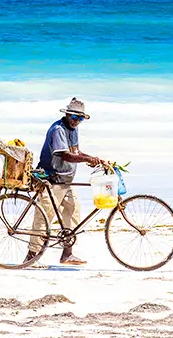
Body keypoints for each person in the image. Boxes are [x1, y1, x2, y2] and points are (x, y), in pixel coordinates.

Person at [25, 97, 102, 266]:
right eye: (74, 117)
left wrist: (91, 159)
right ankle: (30, 258)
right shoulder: (58, 129)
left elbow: (75, 151)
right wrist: (86, 158)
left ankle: (67, 255)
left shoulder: (73, 130)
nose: (77, 122)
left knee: (73, 214)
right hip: (52, 179)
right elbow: (64, 155)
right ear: (67, 115)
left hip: (66, 180)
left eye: (80, 119)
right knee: (44, 218)